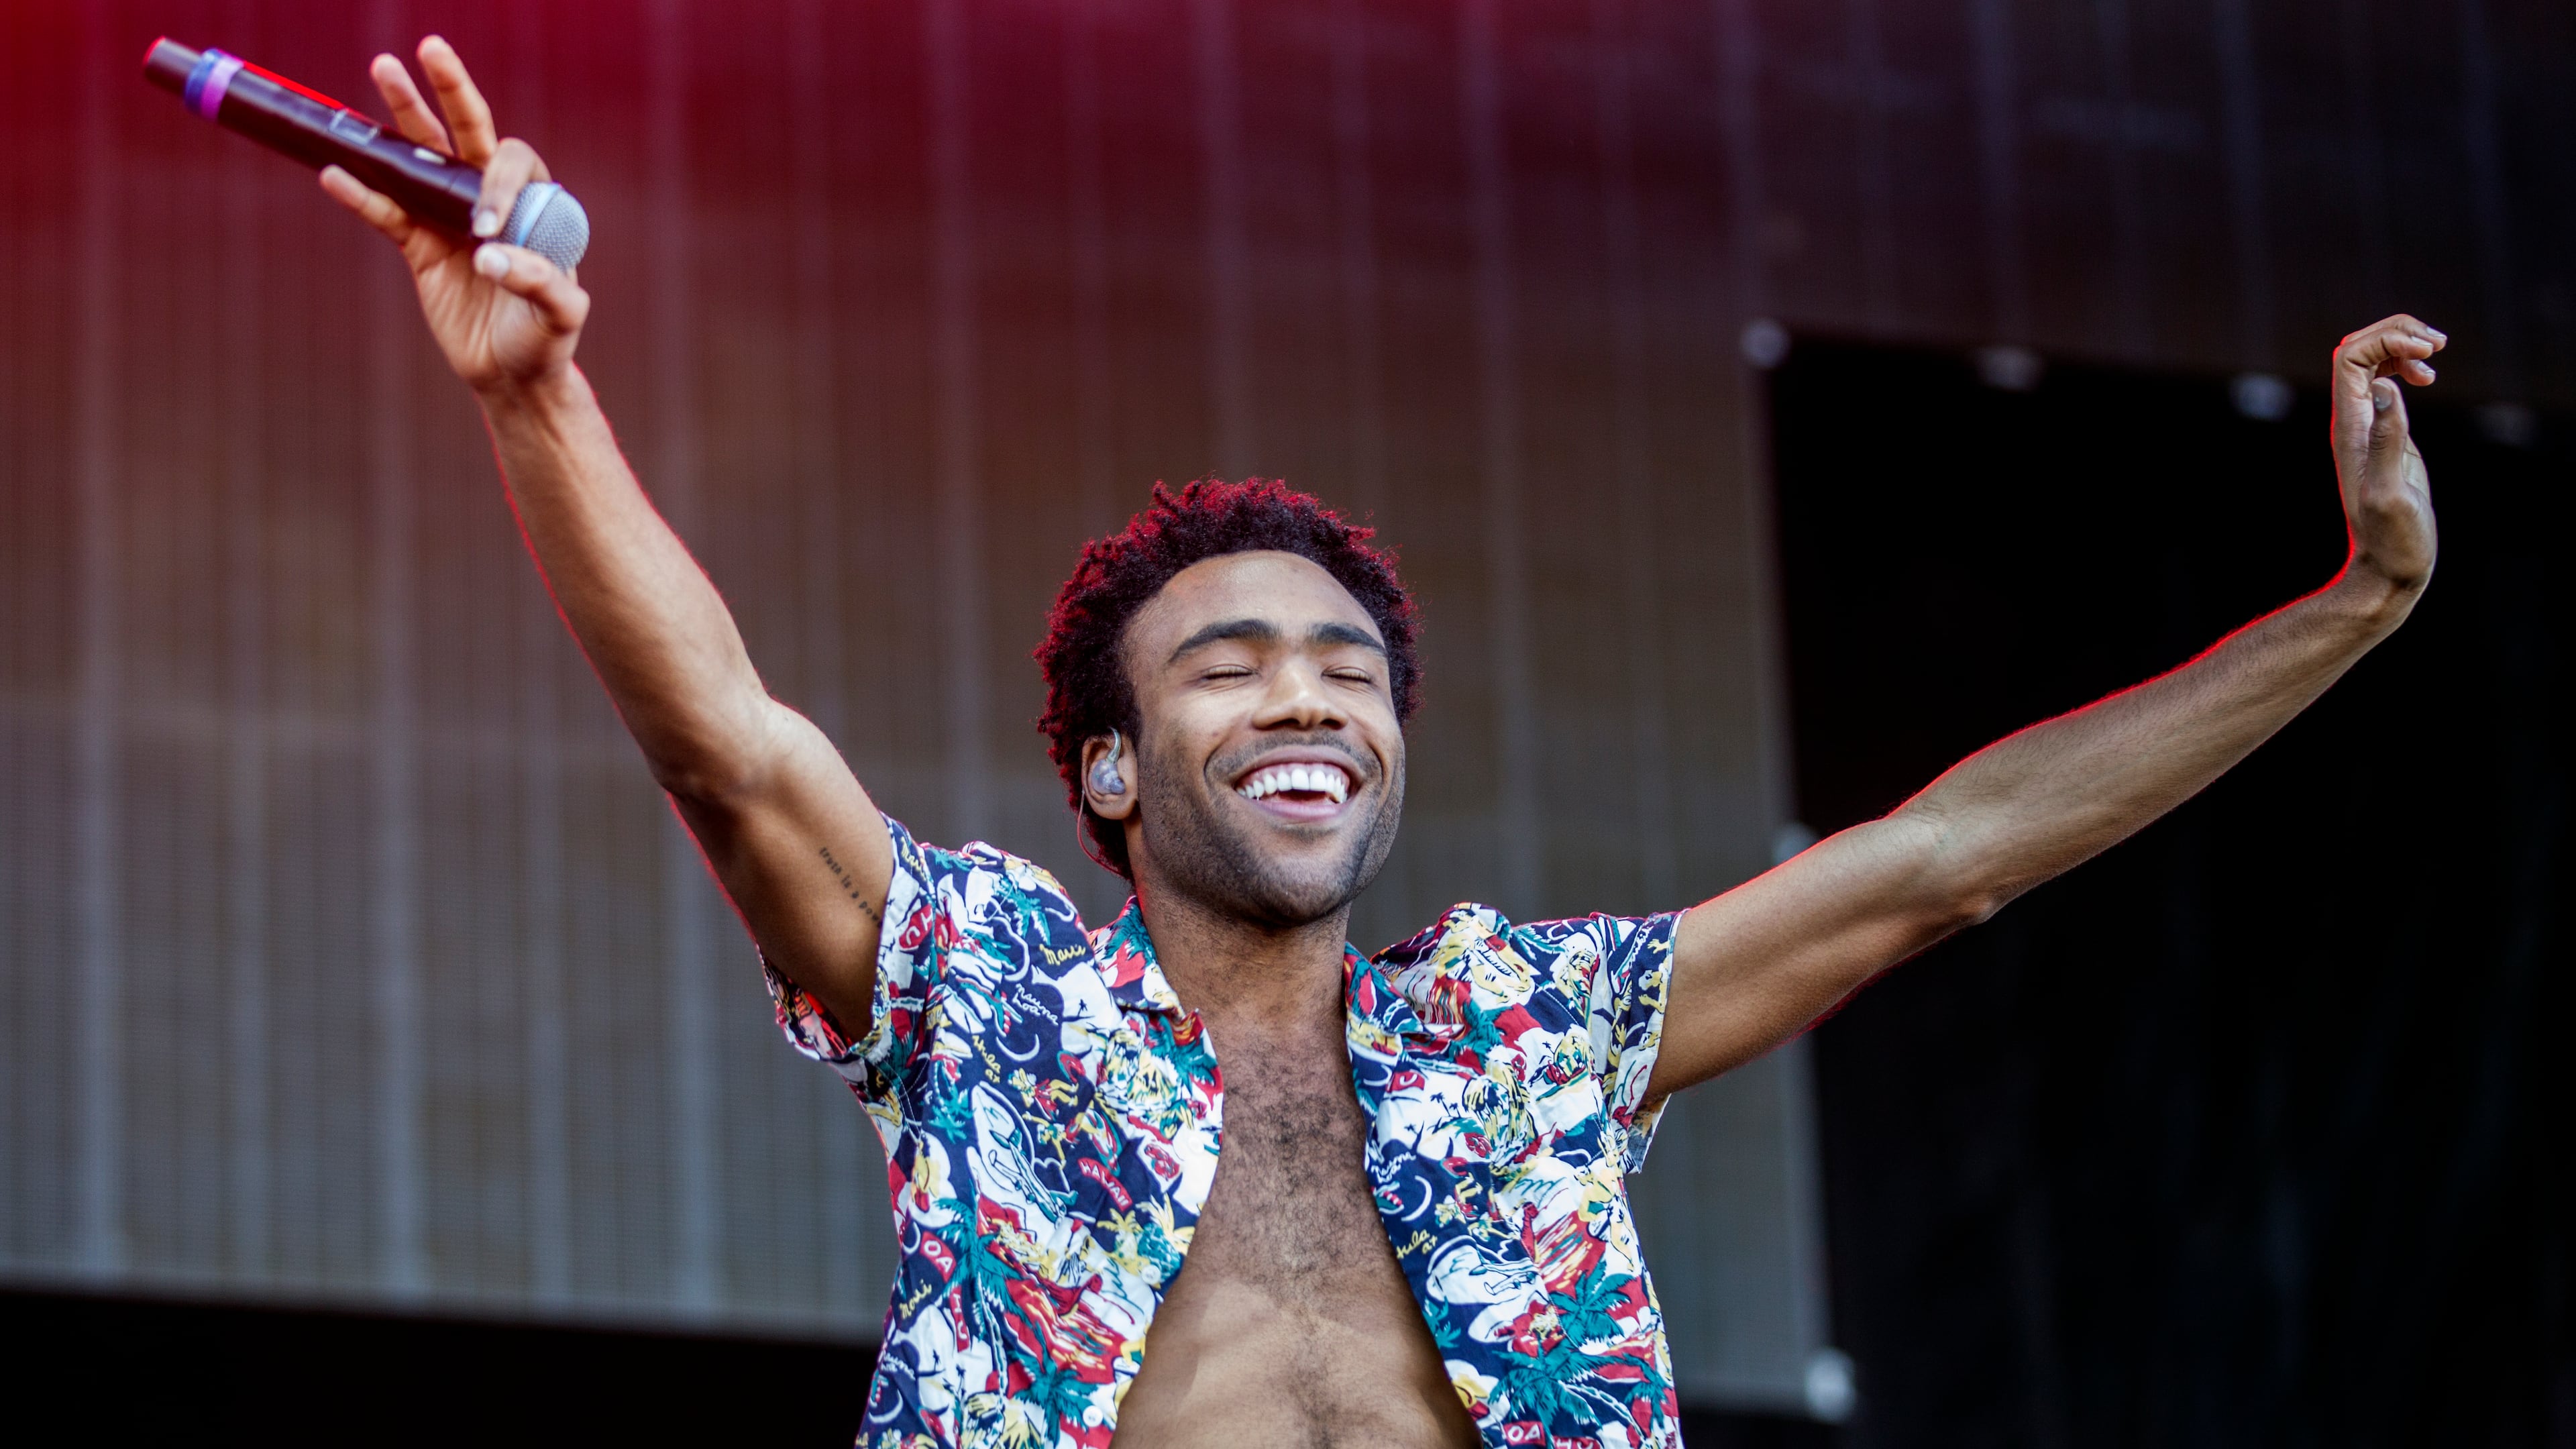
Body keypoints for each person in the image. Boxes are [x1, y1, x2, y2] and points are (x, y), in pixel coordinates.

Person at [322, 36, 2446, 1449]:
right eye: (1230, 665)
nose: (1308, 697)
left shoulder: (1528, 1037)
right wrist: (534, 393)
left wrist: (2356, 603)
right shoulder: (996, 1001)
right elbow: (729, 746)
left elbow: (1948, 859)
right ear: (1111, 772)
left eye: (1348, 670)